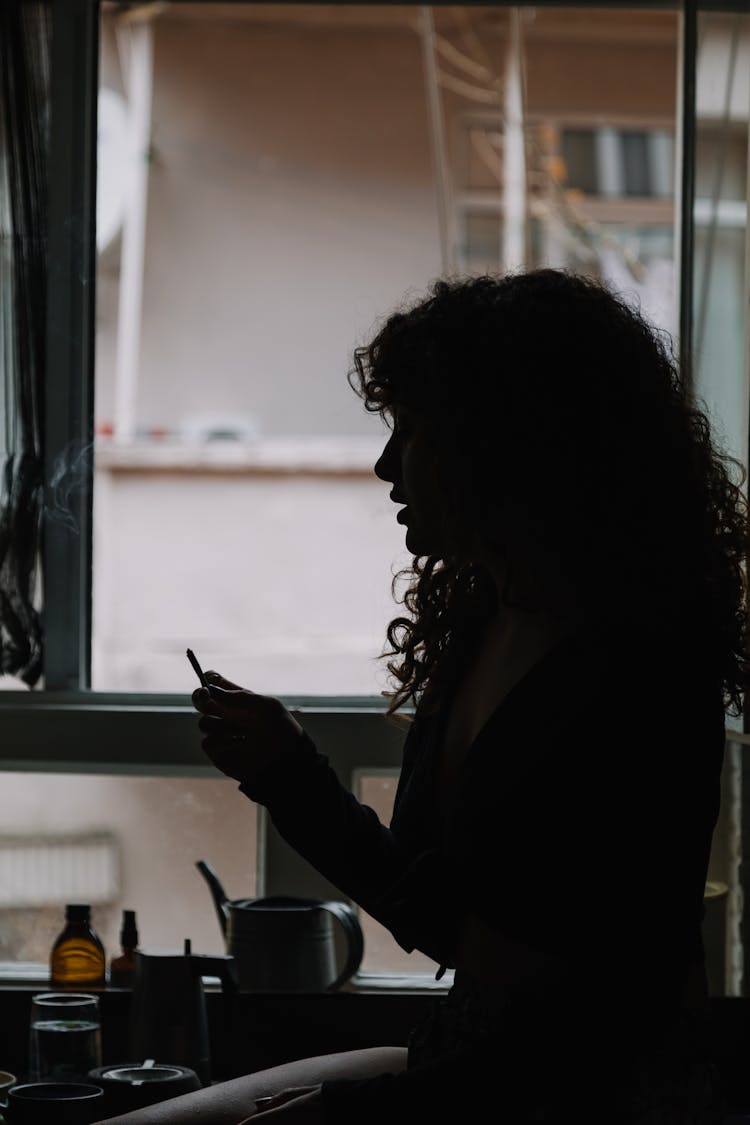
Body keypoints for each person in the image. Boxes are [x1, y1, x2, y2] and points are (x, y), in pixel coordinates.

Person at [97, 268, 747, 1124]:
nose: (384, 464)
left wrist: (358, 1109)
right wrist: (287, 770)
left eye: (413, 430)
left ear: (508, 443)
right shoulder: (490, 615)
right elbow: (444, 918)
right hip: (473, 1058)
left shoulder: (641, 669)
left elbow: (591, 1021)